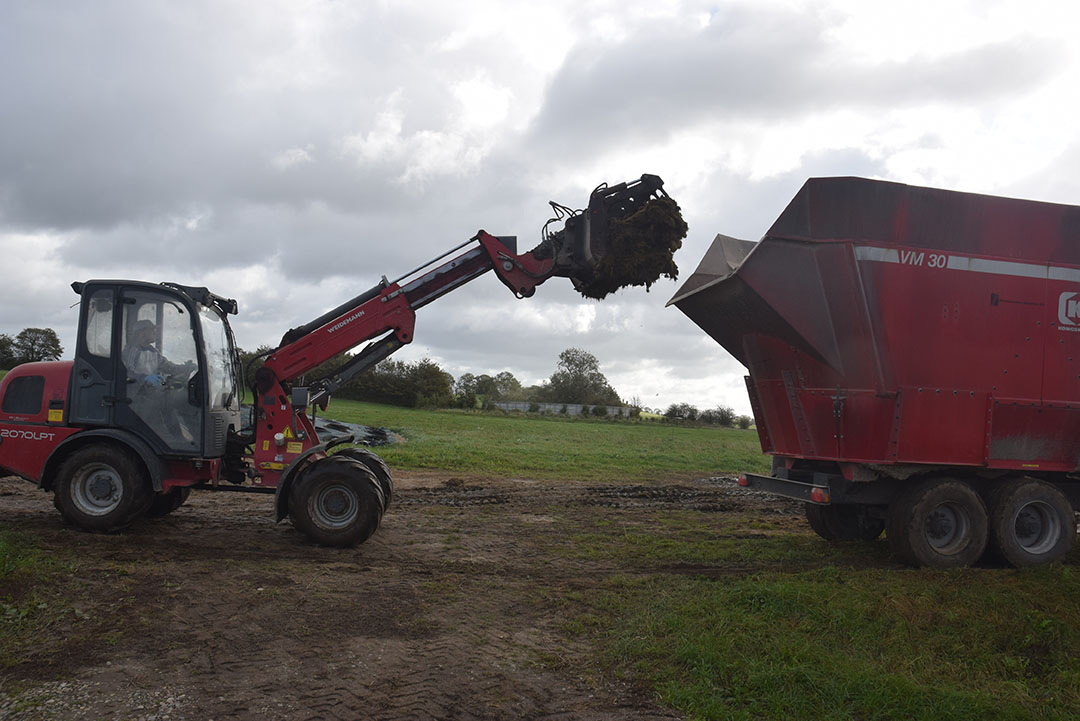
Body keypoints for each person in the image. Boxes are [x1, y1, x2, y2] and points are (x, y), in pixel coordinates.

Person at [123, 319, 173, 385]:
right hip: (135, 391)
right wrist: (145, 378)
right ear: (141, 333)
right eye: (152, 330)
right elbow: (128, 373)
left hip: (149, 389)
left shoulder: (154, 352)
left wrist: (184, 368)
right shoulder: (132, 350)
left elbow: (166, 366)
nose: (155, 333)